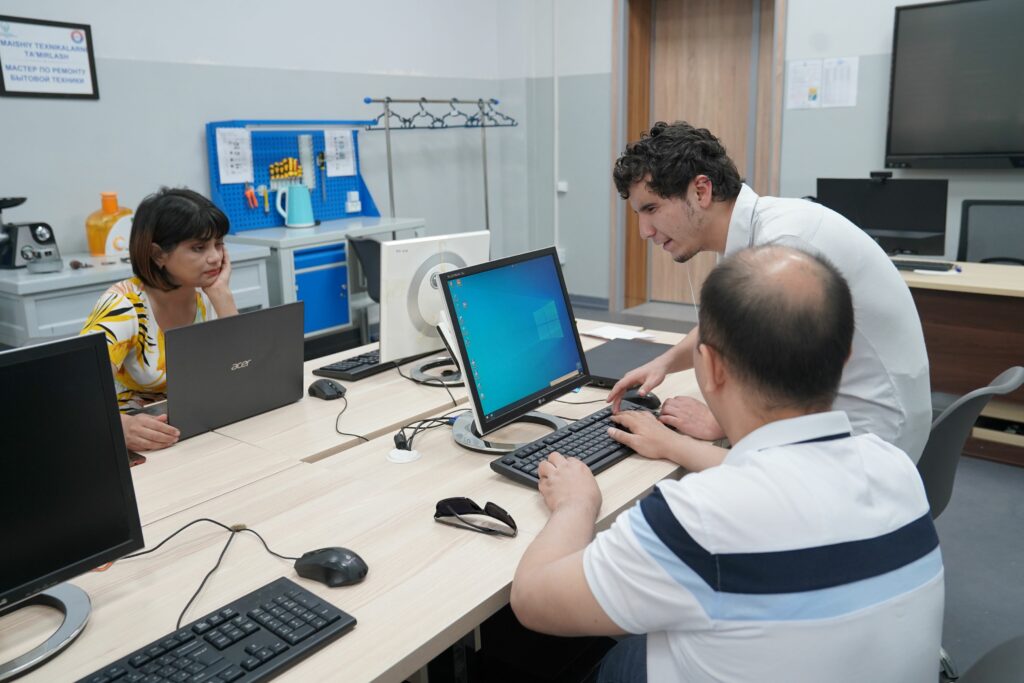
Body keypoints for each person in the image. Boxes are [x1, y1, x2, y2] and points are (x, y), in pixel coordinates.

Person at [511, 245, 944, 683]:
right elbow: (785, 484)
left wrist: (575, 505)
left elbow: (530, 600)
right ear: (845, 357)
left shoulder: (697, 519)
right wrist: (675, 447)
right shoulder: (896, 467)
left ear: (712, 366)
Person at [607, 121, 931, 468]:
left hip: (867, 438)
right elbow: (723, 328)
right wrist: (664, 363)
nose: (644, 231)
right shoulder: (763, 229)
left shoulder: (785, 251)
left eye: (651, 209)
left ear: (700, 191)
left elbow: (767, 470)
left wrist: (674, 441)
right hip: (853, 416)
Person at [81, 187, 238, 452]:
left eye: (219, 244)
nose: (215, 257)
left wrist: (223, 296)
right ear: (158, 254)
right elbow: (78, 393)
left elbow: (244, 371)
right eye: (199, 247)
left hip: (194, 428)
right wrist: (119, 426)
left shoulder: (208, 294)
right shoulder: (123, 305)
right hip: (135, 439)